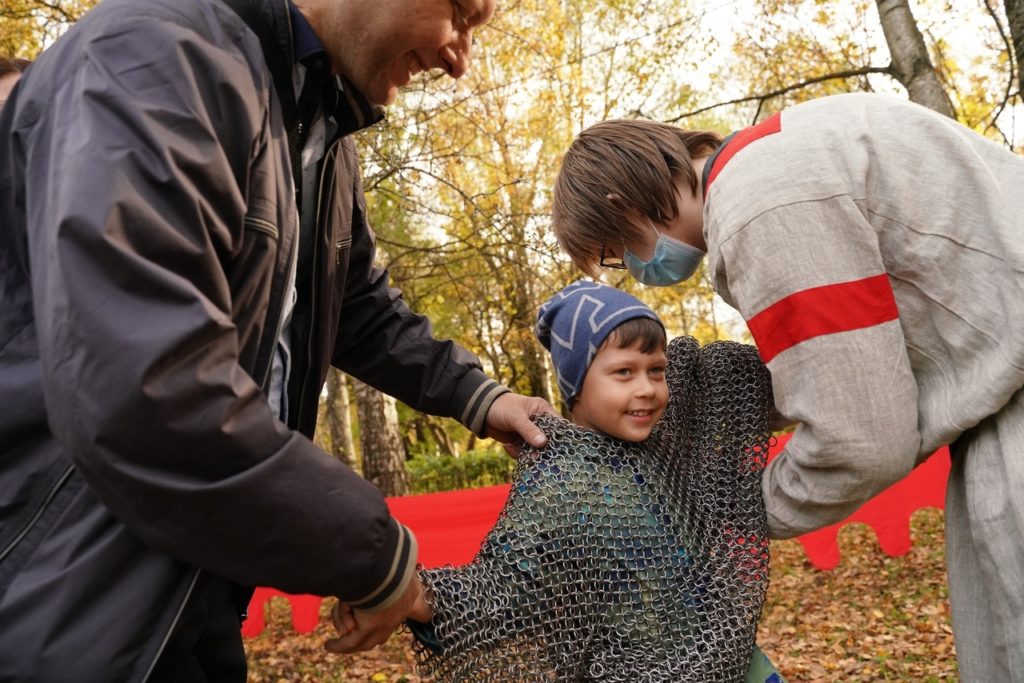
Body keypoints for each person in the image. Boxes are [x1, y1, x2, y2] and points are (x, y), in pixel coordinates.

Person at [0, 0, 553, 680]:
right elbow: (146, 394)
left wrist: (480, 396)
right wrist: (375, 556)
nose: (459, 60)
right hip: (71, 601)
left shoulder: (320, 128)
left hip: (199, 588)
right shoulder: (151, 57)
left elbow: (359, 307)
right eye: (462, 14)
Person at [549, 92, 1024, 682]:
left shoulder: (759, 207)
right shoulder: (778, 158)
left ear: (623, 207)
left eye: (617, 255)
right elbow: (856, 361)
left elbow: (860, 438)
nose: (633, 268)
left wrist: (723, 513)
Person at [335, 279, 784, 681]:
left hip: (733, 658)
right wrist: (412, 596)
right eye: (623, 372)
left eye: (656, 370)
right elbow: (502, 589)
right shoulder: (558, 480)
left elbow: (720, 376)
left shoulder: (665, 438)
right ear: (576, 386)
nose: (646, 388)